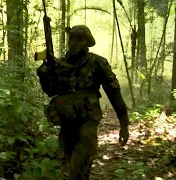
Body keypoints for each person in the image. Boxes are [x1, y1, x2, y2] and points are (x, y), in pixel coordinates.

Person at [37, 25, 130, 180]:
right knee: (67, 164)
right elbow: (51, 91)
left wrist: (124, 125)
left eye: (79, 39)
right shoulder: (60, 64)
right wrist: (43, 73)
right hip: (66, 123)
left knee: (80, 165)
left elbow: (114, 94)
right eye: (71, 38)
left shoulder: (97, 63)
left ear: (87, 42)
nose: (74, 43)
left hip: (87, 121)